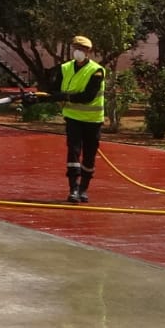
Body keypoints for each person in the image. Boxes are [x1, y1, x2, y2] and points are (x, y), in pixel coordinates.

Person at [59, 35, 105, 204]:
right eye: (76, 48)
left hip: (93, 120)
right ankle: (73, 189)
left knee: (89, 156)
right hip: (73, 118)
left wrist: (66, 97)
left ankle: (83, 189)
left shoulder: (97, 70)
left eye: (82, 49)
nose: (78, 52)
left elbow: (87, 96)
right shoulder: (64, 68)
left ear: (88, 52)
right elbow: (55, 88)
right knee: (73, 151)